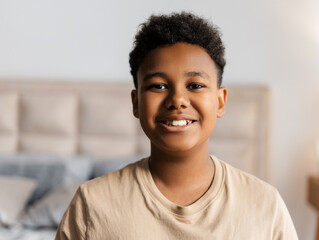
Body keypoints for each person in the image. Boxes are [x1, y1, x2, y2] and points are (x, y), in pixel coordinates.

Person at [55, 12, 298, 239]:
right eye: (158, 86)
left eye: (195, 85)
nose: (177, 100)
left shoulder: (265, 204)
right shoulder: (92, 205)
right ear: (136, 102)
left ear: (220, 101)